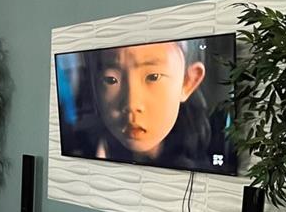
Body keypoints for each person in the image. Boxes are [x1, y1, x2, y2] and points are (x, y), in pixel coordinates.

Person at [57, 38, 234, 172]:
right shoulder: (87, 145)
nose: (132, 104)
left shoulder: (215, 149)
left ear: (188, 82)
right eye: (111, 79)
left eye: (153, 77)